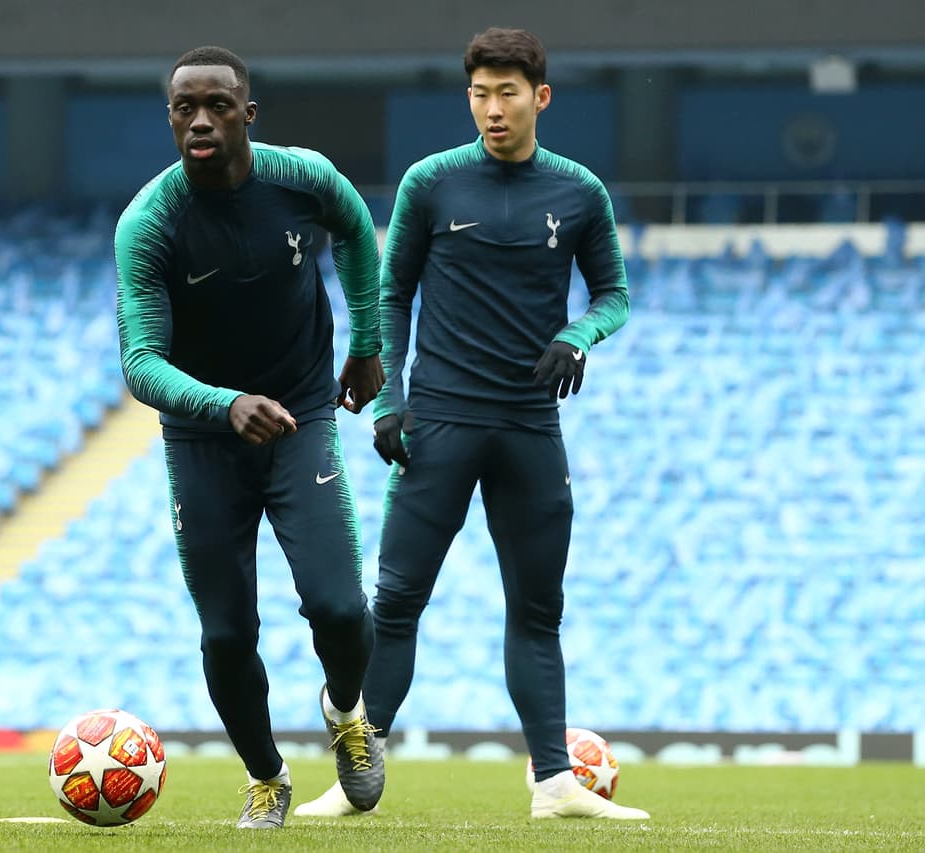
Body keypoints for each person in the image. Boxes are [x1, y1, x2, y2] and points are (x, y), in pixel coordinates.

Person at [295, 27, 649, 821]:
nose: (493, 109)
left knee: (537, 611)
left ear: (540, 97)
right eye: (480, 94)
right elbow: (390, 293)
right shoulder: (431, 183)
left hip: (529, 426)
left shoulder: (580, 193)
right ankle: (356, 779)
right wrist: (388, 403)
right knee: (394, 602)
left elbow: (615, 296)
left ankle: (555, 783)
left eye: (508, 93)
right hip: (441, 421)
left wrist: (576, 335)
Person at [114, 45, 387, 829]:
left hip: (301, 416)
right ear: (170, 119)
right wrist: (226, 403)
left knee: (339, 605)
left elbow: (359, 235)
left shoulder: (302, 178)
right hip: (203, 438)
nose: (200, 120)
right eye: (184, 108)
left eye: (217, 105)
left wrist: (366, 343)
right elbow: (140, 363)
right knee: (228, 630)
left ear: (247, 114)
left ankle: (345, 711)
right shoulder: (150, 223)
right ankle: (267, 776)